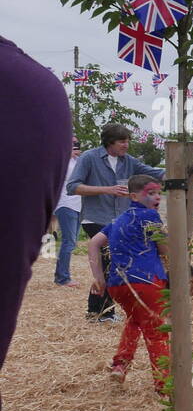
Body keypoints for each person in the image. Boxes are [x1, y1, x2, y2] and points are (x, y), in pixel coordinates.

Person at [1, 33, 71, 411]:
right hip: (74, 207)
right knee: (67, 245)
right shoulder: (37, 86)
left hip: (56, 206)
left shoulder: (29, 88)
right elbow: (74, 184)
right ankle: (65, 278)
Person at [66, 124, 165, 322]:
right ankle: (101, 313)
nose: (126, 145)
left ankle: (98, 312)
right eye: (122, 141)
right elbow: (73, 187)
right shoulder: (89, 158)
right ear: (109, 142)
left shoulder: (128, 161)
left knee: (112, 264)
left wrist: (188, 175)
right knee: (110, 263)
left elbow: (154, 172)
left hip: (118, 220)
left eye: (128, 141)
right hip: (94, 218)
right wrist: (107, 189)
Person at [87, 174, 170, 392]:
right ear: (133, 196)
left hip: (118, 284)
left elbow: (94, 243)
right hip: (146, 282)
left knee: (135, 321)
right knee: (157, 329)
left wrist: (99, 277)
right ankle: (164, 384)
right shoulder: (150, 217)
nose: (156, 197)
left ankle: (120, 366)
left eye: (159, 192)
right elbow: (165, 249)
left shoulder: (118, 220)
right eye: (150, 193)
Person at [53, 143, 83, 287]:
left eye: (77, 144)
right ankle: (62, 278)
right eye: (72, 144)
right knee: (68, 241)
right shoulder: (60, 160)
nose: (76, 146)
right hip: (65, 204)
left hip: (78, 205)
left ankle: (61, 275)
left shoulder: (78, 161)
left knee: (71, 242)